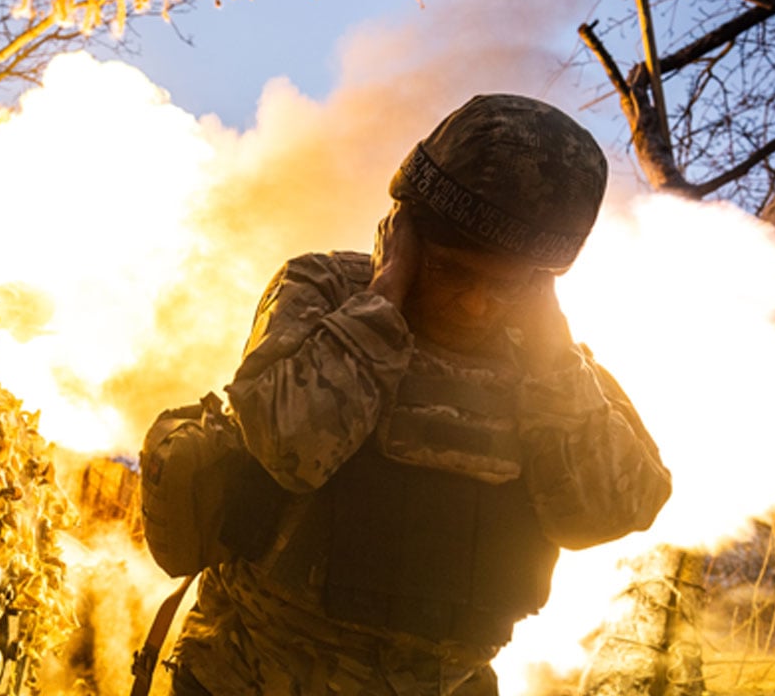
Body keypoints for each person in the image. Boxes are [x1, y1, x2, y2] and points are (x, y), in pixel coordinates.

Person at [165, 94, 673, 696]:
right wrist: (382, 302)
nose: (478, 303)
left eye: (506, 283)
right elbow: (288, 444)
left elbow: (611, 511)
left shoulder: (547, 359)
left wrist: (553, 358)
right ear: (404, 231)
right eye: (454, 271)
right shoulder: (325, 291)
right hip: (253, 676)